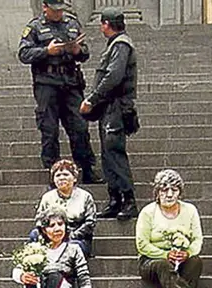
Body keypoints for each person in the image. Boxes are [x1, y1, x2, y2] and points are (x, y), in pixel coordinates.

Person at [19, 1, 102, 185]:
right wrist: (46, 51)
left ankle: (86, 168)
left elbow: (85, 53)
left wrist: (77, 50)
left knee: (80, 127)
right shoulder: (35, 27)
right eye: (54, 10)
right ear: (45, 7)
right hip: (46, 84)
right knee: (49, 129)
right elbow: (24, 53)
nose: (58, 13)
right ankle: (52, 171)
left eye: (60, 10)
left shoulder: (72, 24)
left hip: (71, 83)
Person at [80, 7, 138, 220]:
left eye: (102, 23)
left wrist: (91, 99)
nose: (100, 27)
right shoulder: (116, 44)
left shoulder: (121, 45)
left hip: (116, 107)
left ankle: (128, 199)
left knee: (114, 153)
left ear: (106, 24)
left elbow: (113, 76)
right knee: (107, 155)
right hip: (109, 108)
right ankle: (115, 200)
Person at [135, 169, 203, 288]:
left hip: (182, 259)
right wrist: (165, 255)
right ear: (157, 192)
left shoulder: (190, 210)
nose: (170, 194)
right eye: (164, 190)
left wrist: (188, 253)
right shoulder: (148, 212)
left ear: (180, 192)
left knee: (196, 261)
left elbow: (197, 239)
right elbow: (142, 244)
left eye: (174, 189)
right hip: (152, 261)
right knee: (163, 264)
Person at [32, 159, 97, 256]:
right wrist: (51, 235)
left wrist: (71, 236)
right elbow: (39, 220)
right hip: (51, 235)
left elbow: (90, 222)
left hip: (76, 237)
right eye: (58, 175)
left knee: (73, 247)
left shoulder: (85, 196)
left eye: (66, 175)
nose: (61, 178)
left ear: (74, 178)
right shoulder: (47, 197)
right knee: (34, 235)